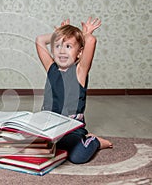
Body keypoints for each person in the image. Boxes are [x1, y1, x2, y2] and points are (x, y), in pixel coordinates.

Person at [35, 17, 112, 164]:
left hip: (71, 130)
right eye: (58, 46)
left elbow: (91, 41)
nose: (62, 51)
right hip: (49, 128)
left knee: (77, 157)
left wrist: (84, 34)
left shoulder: (79, 71)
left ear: (80, 53)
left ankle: (94, 141)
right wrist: (58, 34)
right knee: (32, 150)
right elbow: (39, 40)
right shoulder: (51, 68)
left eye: (68, 47)